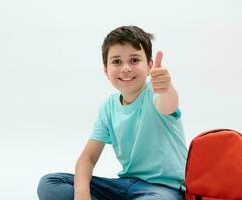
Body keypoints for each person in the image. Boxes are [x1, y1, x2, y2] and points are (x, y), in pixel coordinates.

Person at [37, 25, 187, 200]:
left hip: (164, 189)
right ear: (106, 70)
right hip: (125, 185)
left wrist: (166, 88)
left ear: (149, 65)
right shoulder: (108, 107)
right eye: (116, 61)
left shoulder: (155, 94)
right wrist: (81, 195)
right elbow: (88, 158)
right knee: (50, 184)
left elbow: (168, 104)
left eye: (134, 60)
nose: (125, 68)